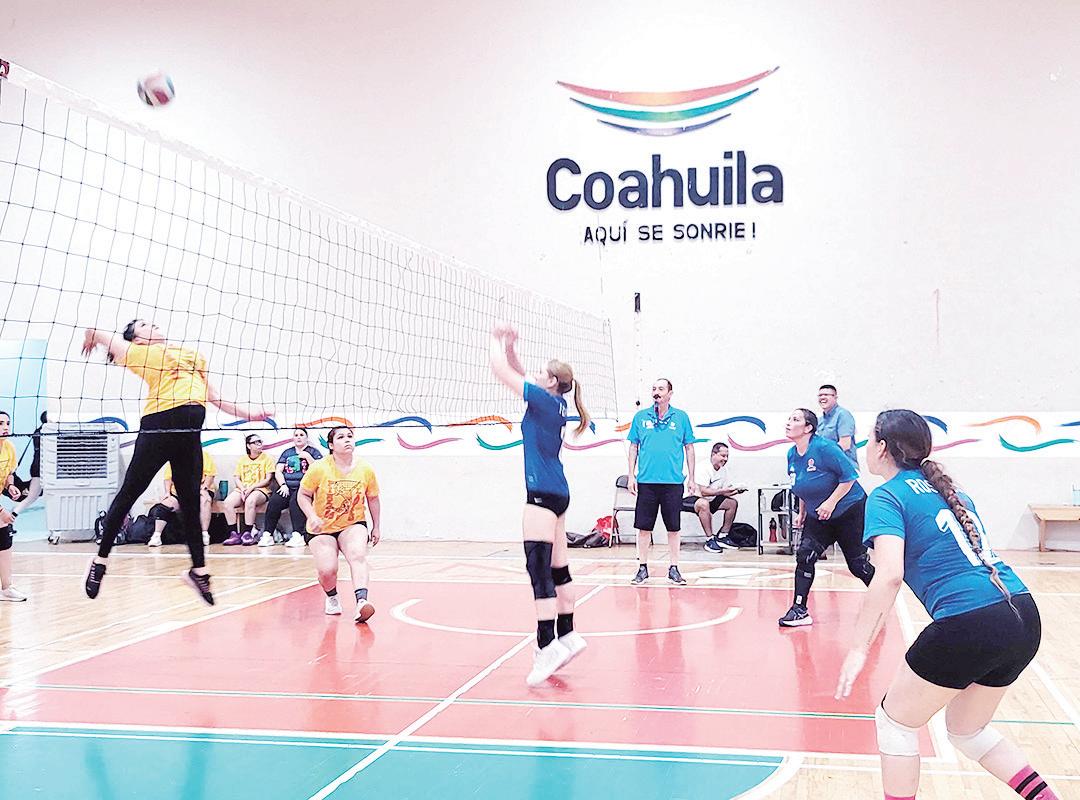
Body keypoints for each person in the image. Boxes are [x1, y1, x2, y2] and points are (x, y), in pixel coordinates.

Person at [836, 410, 1056, 800]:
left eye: (869, 439)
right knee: (968, 731)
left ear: (882, 447)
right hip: (1022, 614)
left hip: (971, 621)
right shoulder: (951, 491)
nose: (865, 447)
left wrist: (858, 648)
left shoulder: (887, 495)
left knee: (895, 724)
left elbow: (889, 575)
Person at [80, 321, 270, 603]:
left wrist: (250, 415)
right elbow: (96, 330)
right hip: (158, 427)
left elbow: (215, 397)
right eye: (145, 325)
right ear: (137, 338)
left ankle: (199, 571)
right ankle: (100, 561)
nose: (154, 326)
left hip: (189, 433)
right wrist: (90, 339)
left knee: (191, 502)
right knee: (129, 492)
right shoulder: (139, 353)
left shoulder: (192, 355)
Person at [490, 323, 590, 686]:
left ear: (551, 382)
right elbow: (517, 370)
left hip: (542, 494)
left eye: (541, 372)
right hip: (558, 492)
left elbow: (502, 372)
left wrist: (495, 339)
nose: (535, 373)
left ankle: (546, 646)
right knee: (558, 568)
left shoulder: (544, 401)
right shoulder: (555, 401)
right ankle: (568, 634)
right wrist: (511, 347)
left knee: (539, 570)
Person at [779, 407, 874, 627]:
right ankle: (799, 610)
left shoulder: (825, 448)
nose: (788, 423)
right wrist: (802, 513)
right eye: (789, 418)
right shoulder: (792, 454)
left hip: (849, 511)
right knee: (805, 556)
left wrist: (831, 503)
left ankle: (882, 596)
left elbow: (849, 477)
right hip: (819, 516)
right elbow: (801, 485)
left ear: (808, 428)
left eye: (795, 419)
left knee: (857, 565)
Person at [297, 426, 381, 623]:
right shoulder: (319, 468)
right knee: (327, 571)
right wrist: (312, 516)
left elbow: (373, 498)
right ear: (331, 445)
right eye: (341, 437)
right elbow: (303, 495)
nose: (347, 440)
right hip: (322, 527)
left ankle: (362, 601)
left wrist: (376, 526)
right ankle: (332, 596)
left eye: (350, 436)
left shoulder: (365, 469)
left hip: (353, 523)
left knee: (358, 555)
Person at [626, 378, 698, 586]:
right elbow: (633, 447)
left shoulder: (681, 417)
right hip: (647, 482)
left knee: (673, 527)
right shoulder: (641, 417)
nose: (656, 392)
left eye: (661, 388)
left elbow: (689, 448)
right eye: (654, 389)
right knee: (643, 527)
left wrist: (692, 477)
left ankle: (674, 567)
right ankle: (642, 567)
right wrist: (631, 475)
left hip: (673, 483)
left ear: (670, 393)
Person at [259, 428, 322, 547]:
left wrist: (308, 457)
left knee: (295, 501)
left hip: (304, 488)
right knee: (274, 502)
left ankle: (298, 535)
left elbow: (319, 470)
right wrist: (283, 485)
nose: (298, 437)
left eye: (301, 435)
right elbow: (278, 471)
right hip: (287, 487)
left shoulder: (313, 452)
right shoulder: (287, 452)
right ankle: (268, 535)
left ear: (306, 438)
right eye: (296, 435)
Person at [687, 442, 746, 553]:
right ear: (713, 454)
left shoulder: (724, 470)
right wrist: (723, 491)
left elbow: (723, 493)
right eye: (723, 456)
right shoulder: (703, 467)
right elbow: (703, 492)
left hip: (710, 498)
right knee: (703, 504)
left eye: (727, 456)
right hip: (690, 497)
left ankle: (723, 536)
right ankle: (710, 539)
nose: (725, 459)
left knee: (732, 503)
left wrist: (736, 491)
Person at [148, 452, 216, 548]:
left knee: (204, 500)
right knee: (165, 505)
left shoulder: (203, 456)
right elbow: (168, 478)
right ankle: (156, 535)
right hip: (179, 492)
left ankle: (204, 534)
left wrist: (204, 488)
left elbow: (210, 475)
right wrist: (167, 492)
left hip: (201, 489)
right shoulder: (174, 457)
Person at [222, 434, 275, 545]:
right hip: (243, 489)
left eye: (260, 441)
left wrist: (251, 488)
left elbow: (268, 479)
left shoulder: (267, 458)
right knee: (227, 503)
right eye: (256, 442)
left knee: (250, 500)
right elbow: (237, 477)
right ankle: (234, 534)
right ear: (248, 446)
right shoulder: (242, 460)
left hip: (260, 489)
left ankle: (248, 532)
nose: (259, 444)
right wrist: (242, 489)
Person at [0, 411, 28, 601]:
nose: (5, 427)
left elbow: (9, 472)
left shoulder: (9, 447)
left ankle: (6, 588)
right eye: (0, 423)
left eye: (7, 423)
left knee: (4, 538)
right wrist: (2, 511)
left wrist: (10, 486)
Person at [817, 384, 858, 464]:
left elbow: (845, 445)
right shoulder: (820, 420)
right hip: (827, 467)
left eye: (826, 395)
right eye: (820, 395)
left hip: (845, 467)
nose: (822, 397)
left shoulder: (843, 415)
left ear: (835, 398)